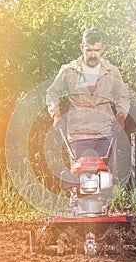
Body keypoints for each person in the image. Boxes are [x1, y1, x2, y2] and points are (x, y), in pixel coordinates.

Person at [46, 27, 130, 174]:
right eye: (88, 50)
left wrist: (121, 115)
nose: (92, 55)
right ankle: (78, 196)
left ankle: (104, 196)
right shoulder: (68, 71)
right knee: (82, 178)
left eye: (96, 50)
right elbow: (52, 93)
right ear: (81, 47)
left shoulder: (112, 71)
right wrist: (56, 114)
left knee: (105, 179)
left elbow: (122, 96)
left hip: (105, 133)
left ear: (102, 49)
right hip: (79, 134)